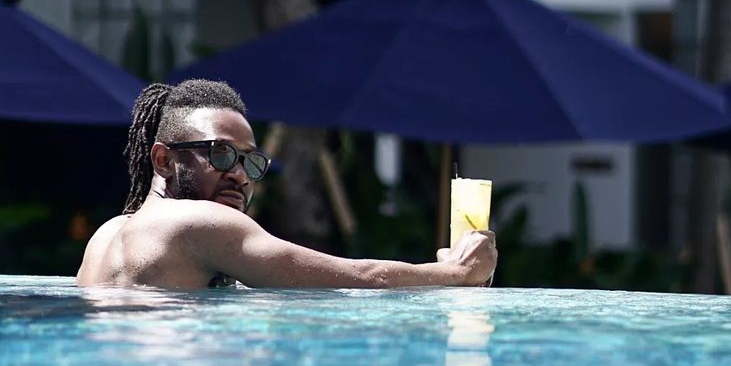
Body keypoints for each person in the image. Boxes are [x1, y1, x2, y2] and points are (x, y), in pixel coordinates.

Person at [76, 79, 497, 290]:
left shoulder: (106, 235)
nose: (240, 174)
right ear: (164, 159)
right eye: (220, 154)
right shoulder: (197, 221)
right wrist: (456, 272)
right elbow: (359, 278)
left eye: (251, 161)